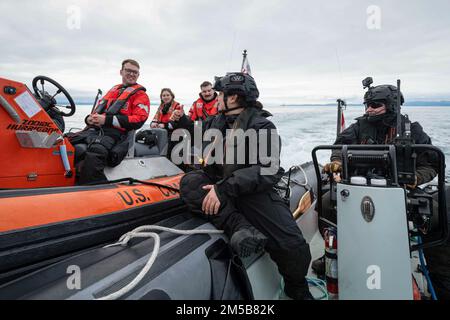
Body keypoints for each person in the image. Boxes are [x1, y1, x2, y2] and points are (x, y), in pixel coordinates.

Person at [179, 72, 313, 300]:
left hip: (251, 192)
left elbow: (267, 169)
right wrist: (179, 121)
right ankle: (240, 228)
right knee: (189, 183)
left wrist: (223, 189)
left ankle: (296, 287)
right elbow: (195, 132)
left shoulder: (263, 126)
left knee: (294, 247)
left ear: (232, 98)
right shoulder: (215, 122)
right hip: (218, 184)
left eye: (220, 94)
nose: (217, 98)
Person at [312, 80, 450, 299]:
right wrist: (337, 162)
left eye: (375, 104)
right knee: (327, 203)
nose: (369, 109)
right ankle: (335, 254)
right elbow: (339, 147)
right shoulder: (358, 127)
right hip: (359, 188)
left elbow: (433, 164)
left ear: (392, 105)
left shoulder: (412, 130)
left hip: (401, 191)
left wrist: (416, 178)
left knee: (437, 215)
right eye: (367, 104)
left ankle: (438, 276)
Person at [73, 59, 150, 184]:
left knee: (96, 152)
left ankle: (93, 189)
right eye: (128, 71)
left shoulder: (140, 95)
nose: (131, 74)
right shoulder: (114, 90)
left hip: (118, 134)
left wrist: (106, 120)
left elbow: (139, 120)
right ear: (121, 72)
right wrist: (89, 119)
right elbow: (97, 111)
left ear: (138, 75)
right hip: (96, 130)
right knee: (65, 141)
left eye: (135, 72)